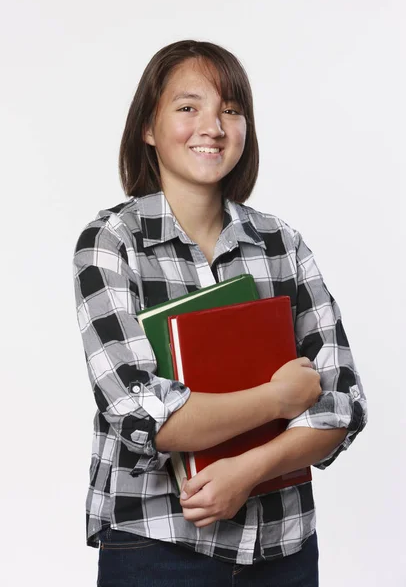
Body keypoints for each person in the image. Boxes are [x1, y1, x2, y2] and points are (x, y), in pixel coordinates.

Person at [73, 39, 367, 587]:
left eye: (231, 110)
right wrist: (277, 399)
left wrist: (249, 469)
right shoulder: (112, 242)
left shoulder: (282, 243)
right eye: (188, 108)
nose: (212, 125)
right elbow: (143, 415)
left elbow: (341, 402)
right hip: (158, 546)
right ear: (148, 127)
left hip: (285, 548)